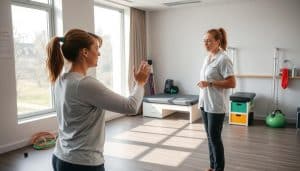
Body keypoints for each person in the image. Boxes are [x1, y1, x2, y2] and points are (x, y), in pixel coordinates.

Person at [46, 28, 150, 171]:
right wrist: (140, 83)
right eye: (96, 48)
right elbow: (131, 107)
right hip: (82, 164)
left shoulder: (60, 80)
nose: (99, 53)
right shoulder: (84, 84)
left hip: (60, 157)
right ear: (84, 52)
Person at [197, 28, 236, 171]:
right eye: (204, 41)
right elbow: (207, 79)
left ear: (217, 42)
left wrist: (210, 83)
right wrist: (203, 83)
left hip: (216, 106)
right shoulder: (207, 58)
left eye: (209, 41)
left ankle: (219, 169)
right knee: (210, 138)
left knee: (215, 139)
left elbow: (232, 83)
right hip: (205, 103)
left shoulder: (223, 59)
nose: (205, 44)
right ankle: (212, 166)